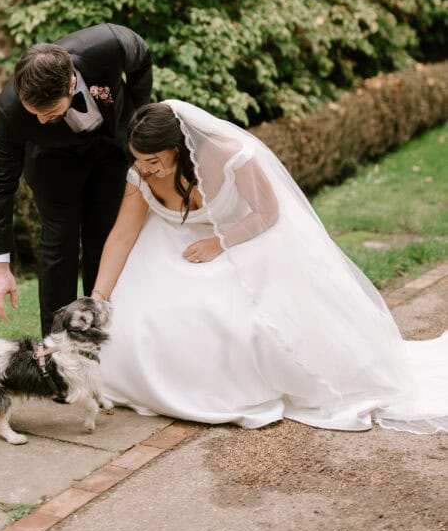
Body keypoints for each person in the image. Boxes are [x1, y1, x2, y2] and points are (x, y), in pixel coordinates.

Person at [92, 99, 448, 433]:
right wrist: (99, 296)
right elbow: (122, 235)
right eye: (138, 159)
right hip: (169, 247)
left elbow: (268, 213)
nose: (144, 168)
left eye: (153, 159)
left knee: (239, 322)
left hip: (244, 239)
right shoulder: (142, 175)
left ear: (179, 146)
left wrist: (221, 242)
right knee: (141, 320)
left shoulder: (231, 156)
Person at [0, 23, 152, 335]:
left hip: (110, 151)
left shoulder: (108, 45)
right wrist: (0, 268)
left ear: (71, 83)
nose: (40, 120)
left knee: (104, 238)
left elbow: (142, 55)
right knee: (59, 242)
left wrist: (138, 115)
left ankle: (105, 333)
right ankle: (57, 344)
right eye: (34, 114)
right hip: (52, 163)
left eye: (50, 114)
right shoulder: (10, 109)